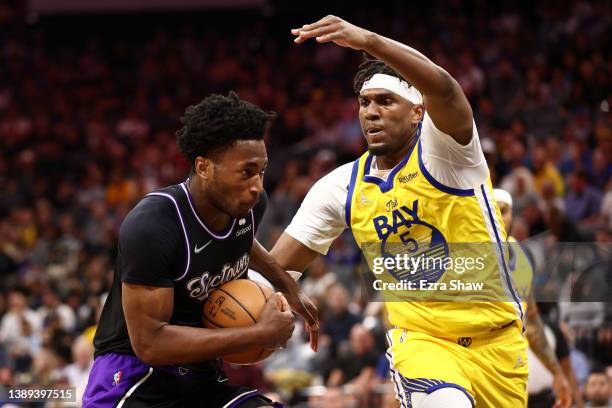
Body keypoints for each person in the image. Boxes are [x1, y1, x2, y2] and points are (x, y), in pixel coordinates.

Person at [272, 15, 528, 407]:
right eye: (364, 103)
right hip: (423, 343)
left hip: (499, 342)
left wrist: (368, 41)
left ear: (417, 112)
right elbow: (276, 269)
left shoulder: (449, 151)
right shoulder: (339, 187)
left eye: (385, 101)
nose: (371, 112)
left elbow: (443, 87)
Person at [83, 92, 318, 407]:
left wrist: (288, 284)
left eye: (261, 171)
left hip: (202, 372)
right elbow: (149, 343)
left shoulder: (247, 206)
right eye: (246, 172)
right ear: (204, 167)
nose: (258, 186)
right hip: (135, 377)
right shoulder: (153, 224)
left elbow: (240, 237)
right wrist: (259, 334)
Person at [494, 188, 574, 408]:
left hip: (513, 377)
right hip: (475, 370)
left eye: (504, 210)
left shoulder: (520, 256)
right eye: (493, 210)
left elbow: (532, 321)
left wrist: (556, 371)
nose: (499, 216)